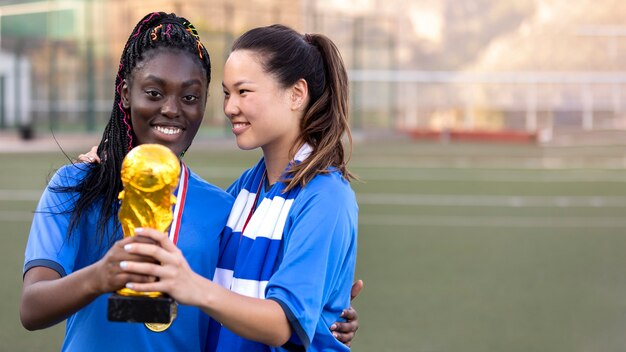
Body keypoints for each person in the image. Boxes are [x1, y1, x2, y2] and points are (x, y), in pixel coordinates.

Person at [22, 12, 359, 351]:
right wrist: (101, 275)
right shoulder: (241, 194)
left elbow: (280, 315)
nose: (230, 107)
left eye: (191, 97)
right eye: (228, 93)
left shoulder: (229, 205)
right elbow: (32, 308)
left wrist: (323, 316)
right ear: (125, 93)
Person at [118, 24, 359, 351]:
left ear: (296, 94)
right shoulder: (246, 188)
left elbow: (281, 326)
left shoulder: (325, 196)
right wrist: (109, 166)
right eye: (227, 93)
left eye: (244, 92)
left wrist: (194, 287)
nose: (230, 107)